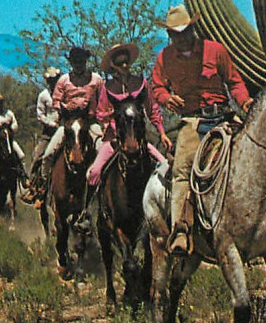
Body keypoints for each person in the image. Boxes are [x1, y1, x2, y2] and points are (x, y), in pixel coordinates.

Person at [150, 5, 254, 255]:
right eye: (175, 34)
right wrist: (166, 98)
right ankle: (181, 230)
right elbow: (156, 88)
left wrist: (245, 102)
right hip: (192, 122)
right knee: (182, 170)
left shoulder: (215, 51)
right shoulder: (165, 58)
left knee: (258, 150)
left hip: (224, 117)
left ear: (193, 29)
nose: (181, 38)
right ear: (170, 36)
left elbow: (235, 82)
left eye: (185, 32)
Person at [87, 42, 172, 188]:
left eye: (126, 61)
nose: (124, 66)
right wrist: (112, 119)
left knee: (165, 165)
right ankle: (89, 209)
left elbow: (153, 110)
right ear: (113, 65)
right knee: (95, 172)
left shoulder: (141, 83)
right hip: (114, 139)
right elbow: (100, 113)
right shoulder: (108, 88)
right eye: (120, 63)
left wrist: (162, 133)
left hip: (138, 139)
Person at [38, 46, 105, 185]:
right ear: (71, 63)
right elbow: (56, 100)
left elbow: (103, 100)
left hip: (90, 122)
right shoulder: (63, 80)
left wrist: (98, 114)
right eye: (75, 61)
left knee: (102, 149)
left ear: (86, 62)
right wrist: (66, 108)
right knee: (48, 154)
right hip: (69, 122)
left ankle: (103, 187)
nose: (78, 64)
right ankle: (43, 187)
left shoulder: (96, 80)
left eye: (81, 61)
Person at [22, 66, 62, 204]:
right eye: (51, 80)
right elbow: (40, 116)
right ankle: (34, 186)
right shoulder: (44, 95)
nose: (53, 82)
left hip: (64, 129)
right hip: (49, 133)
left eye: (55, 79)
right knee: (38, 156)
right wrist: (52, 124)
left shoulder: (65, 93)